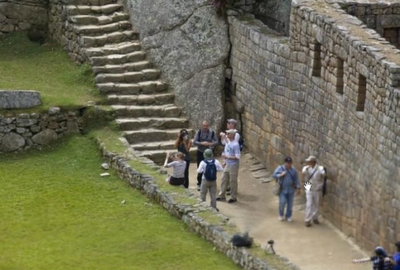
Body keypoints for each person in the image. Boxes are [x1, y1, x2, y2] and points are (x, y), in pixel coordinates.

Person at [272, 157, 301, 222]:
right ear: (285, 163)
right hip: (282, 190)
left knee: (290, 205)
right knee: (282, 203)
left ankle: (288, 216)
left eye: (290, 163)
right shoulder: (280, 168)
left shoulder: (294, 171)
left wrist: (298, 187)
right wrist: (280, 175)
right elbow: (274, 175)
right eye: (287, 163)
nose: (289, 164)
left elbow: (296, 179)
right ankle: (281, 214)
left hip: (291, 190)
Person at [216, 129, 241, 203]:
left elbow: (237, 156)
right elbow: (227, 152)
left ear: (232, 135)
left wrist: (228, 157)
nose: (227, 134)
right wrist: (225, 161)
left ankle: (233, 197)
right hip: (228, 164)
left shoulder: (235, 145)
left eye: (228, 133)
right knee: (224, 179)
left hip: (233, 165)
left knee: (232, 181)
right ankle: (222, 195)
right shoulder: (228, 142)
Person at [193, 121, 218, 191]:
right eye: (204, 126)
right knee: (200, 167)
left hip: (209, 153)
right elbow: (194, 142)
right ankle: (199, 183)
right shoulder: (199, 132)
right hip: (200, 152)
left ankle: (209, 182)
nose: (205, 127)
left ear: (208, 126)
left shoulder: (212, 132)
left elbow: (216, 141)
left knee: (209, 167)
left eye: (206, 126)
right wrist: (202, 143)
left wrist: (210, 144)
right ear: (202, 126)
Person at [302, 156, 326, 227]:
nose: (308, 163)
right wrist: (307, 168)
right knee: (309, 203)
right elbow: (303, 172)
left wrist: (322, 172)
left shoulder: (319, 168)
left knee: (316, 204)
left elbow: (323, 173)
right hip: (308, 185)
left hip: (316, 187)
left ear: (313, 161)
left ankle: (315, 217)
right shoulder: (306, 168)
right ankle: (307, 220)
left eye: (310, 161)